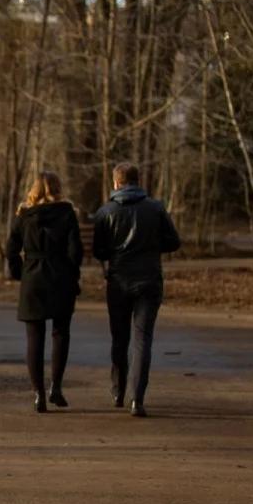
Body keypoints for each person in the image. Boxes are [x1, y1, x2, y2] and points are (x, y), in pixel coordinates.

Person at [92, 163, 181, 417]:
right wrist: (151, 247)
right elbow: (174, 242)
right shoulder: (155, 208)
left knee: (119, 338)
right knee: (143, 339)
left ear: (117, 183)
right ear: (137, 181)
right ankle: (137, 398)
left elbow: (99, 251)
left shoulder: (106, 211)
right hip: (149, 280)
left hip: (119, 281)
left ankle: (118, 390)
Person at [6, 171, 84, 413]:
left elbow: (11, 249)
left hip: (33, 278)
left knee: (34, 337)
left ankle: (38, 393)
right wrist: (73, 275)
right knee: (61, 334)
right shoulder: (67, 213)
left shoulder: (24, 214)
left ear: (34, 189)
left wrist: (20, 273)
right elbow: (76, 252)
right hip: (61, 277)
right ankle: (56, 387)